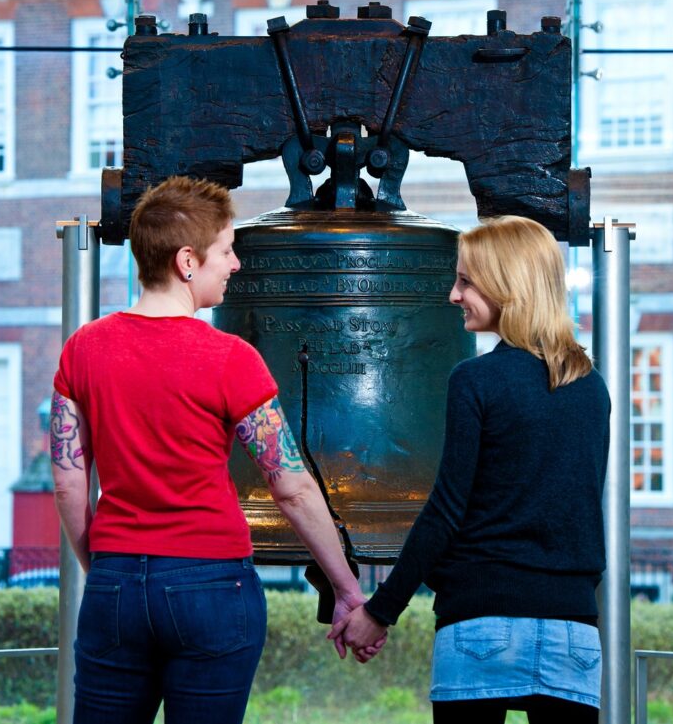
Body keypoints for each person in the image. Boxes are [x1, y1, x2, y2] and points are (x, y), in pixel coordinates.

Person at [50, 175, 366, 724]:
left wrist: (105, 567)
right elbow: (290, 485)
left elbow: (68, 481)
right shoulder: (230, 358)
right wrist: (346, 589)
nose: (236, 264)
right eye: (227, 250)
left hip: (115, 585)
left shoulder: (84, 348)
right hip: (211, 585)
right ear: (187, 261)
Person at [330, 216, 611, 724]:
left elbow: (445, 512)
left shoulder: (476, 381)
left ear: (508, 286)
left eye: (466, 281)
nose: (454, 295)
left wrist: (380, 611)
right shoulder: (592, 387)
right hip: (574, 631)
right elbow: (576, 505)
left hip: (482, 622)